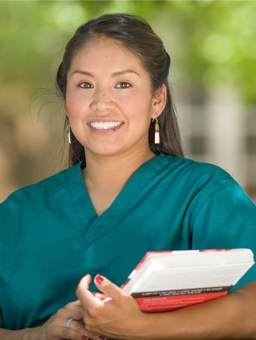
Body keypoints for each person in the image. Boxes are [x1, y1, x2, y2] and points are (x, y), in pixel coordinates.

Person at [0, 13, 256, 340]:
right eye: (85, 84)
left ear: (157, 100)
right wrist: (36, 336)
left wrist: (143, 328)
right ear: (67, 101)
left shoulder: (204, 195)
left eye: (123, 84)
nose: (102, 103)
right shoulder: (15, 214)